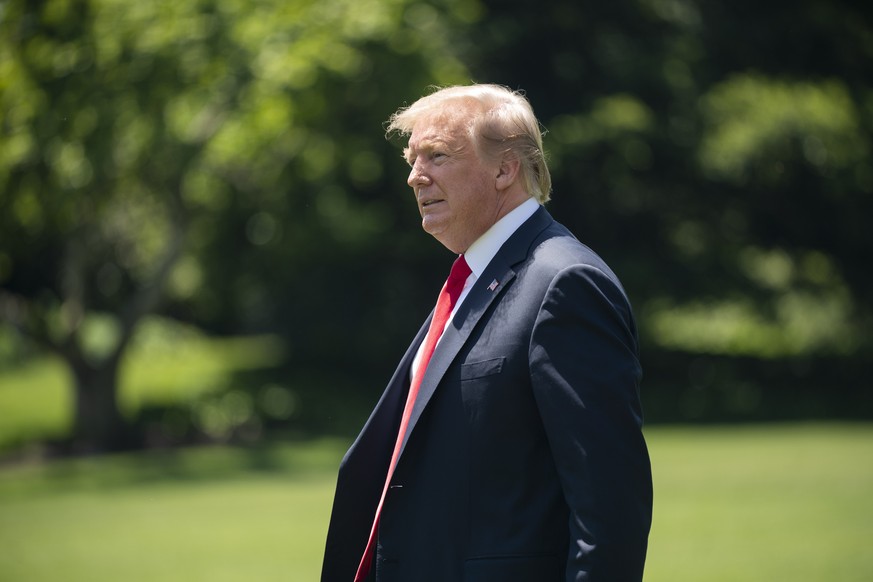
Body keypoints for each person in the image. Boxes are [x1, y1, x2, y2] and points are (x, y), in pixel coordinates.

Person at [321, 84, 652, 582]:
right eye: (412, 159)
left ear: (504, 169)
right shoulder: (473, 278)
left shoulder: (564, 282)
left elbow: (611, 507)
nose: (415, 176)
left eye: (437, 156)